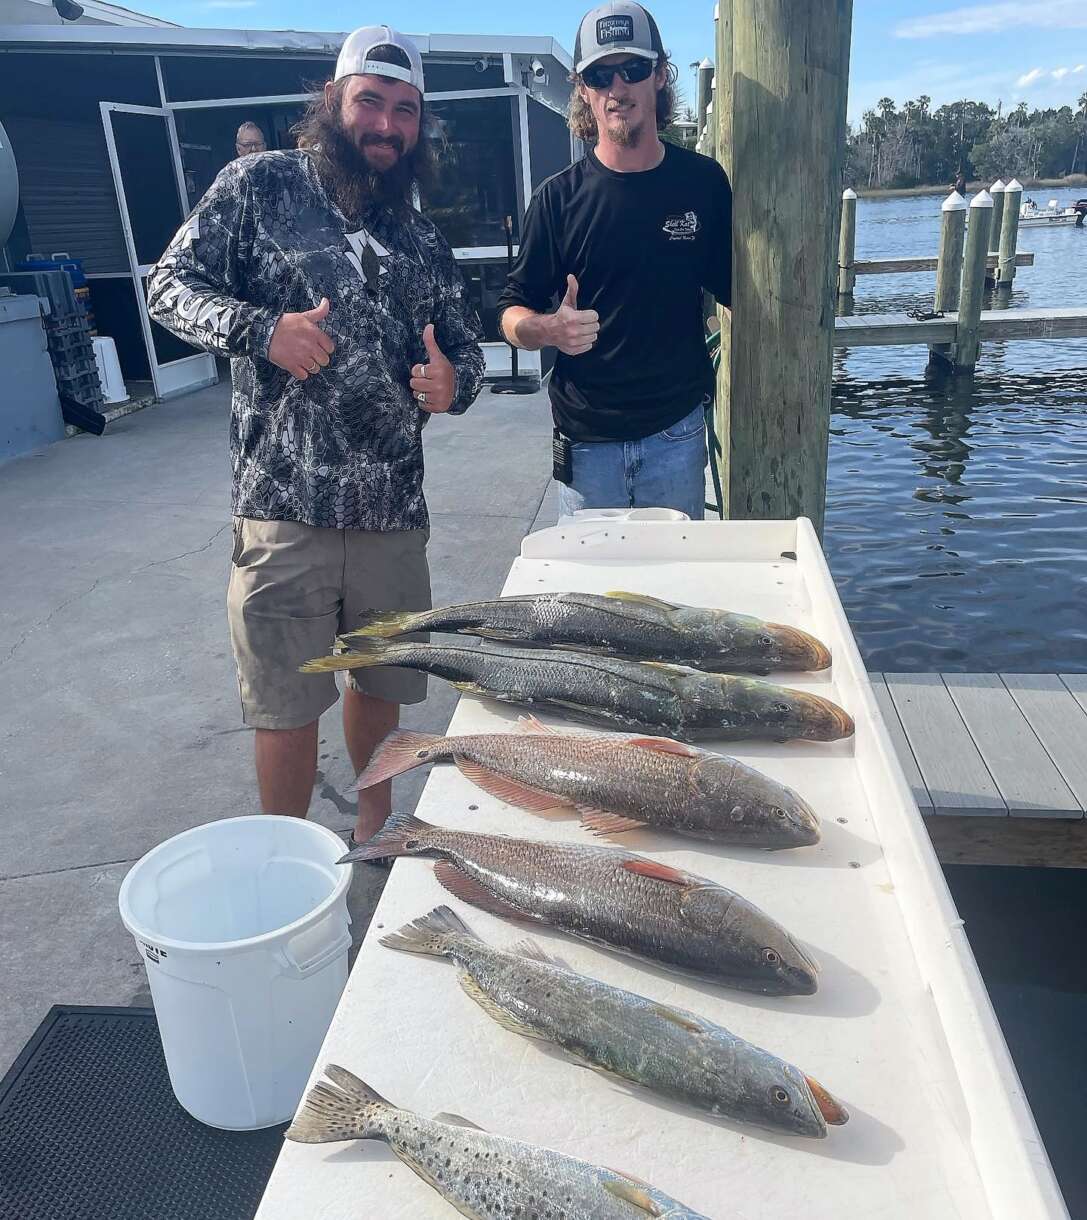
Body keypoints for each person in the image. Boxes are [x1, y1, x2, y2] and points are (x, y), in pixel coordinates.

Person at [147, 25, 485, 853]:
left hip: (392, 514)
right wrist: (263, 332)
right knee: (287, 701)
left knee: (384, 685)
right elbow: (167, 286)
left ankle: (374, 832)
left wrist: (455, 385)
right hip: (283, 511)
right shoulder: (258, 186)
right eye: (371, 101)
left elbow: (469, 347)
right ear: (332, 102)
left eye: (405, 111)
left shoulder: (419, 237)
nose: (387, 125)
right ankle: (287, 861)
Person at [497, 0, 731, 521]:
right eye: (600, 74)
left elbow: (746, 292)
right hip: (586, 444)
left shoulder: (704, 183)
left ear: (660, 77)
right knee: (588, 596)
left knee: (673, 593)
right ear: (583, 88)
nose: (616, 88)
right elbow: (511, 311)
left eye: (633, 69)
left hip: (676, 432)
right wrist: (547, 329)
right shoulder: (556, 200)